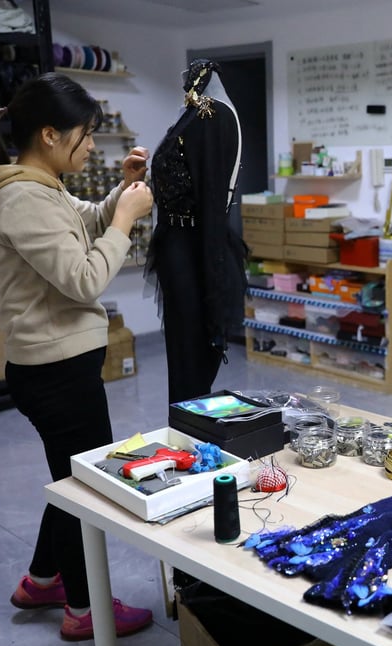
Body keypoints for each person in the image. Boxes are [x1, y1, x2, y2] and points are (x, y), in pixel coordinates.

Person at [0, 72, 155, 640]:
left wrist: (118, 196)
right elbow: (83, 278)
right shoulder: (20, 198)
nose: (91, 144)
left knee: (71, 478)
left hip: (58, 366)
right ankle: (86, 611)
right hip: (56, 371)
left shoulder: (40, 188)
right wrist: (125, 221)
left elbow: (78, 225)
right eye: (84, 135)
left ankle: (42, 581)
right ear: (48, 134)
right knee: (86, 487)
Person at [146, 58, 247, 404]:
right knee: (182, 353)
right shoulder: (189, 115)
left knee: (192, 358)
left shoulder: (211, 116)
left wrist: (213, 281)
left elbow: (211, 198)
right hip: (177, 249)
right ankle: (185, 432)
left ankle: (192, 435)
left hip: (196, 251)